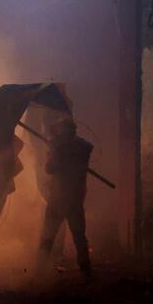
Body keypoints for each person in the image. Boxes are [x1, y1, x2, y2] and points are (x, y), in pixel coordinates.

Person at [37, 118, 94, 278]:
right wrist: (55, 148)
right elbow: (86, 149)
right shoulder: (83, 147)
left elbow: (50, 168)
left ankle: (39, 271)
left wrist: (54, 149)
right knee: (79, 236)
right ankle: (86, 271)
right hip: (74, 198)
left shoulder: (61, 147)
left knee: (48, 236)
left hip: (60, 199)